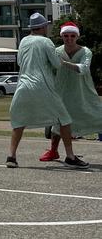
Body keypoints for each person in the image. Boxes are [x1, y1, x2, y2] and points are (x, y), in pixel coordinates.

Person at [6, 13, 88, 169]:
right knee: (64, 119)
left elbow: (19, 61)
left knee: (19, 121)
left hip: (23, 86)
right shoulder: (46, 41)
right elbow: (56, 64)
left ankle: (11, 156)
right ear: (43, 27)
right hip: (42, 86)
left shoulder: (23, 41)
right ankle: (70, 157)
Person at [39, 21, 102, 161]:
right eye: (66, 35)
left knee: (98, 116)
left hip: (83, 92)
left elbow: (84, 68)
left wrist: (64, 63)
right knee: (58, 122)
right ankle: (53, 151)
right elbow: (48, 70)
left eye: (72, 35)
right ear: (62, 36)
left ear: (77, 36)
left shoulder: (86, 51)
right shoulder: (56, 51)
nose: (69, 38)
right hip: (61, 91)